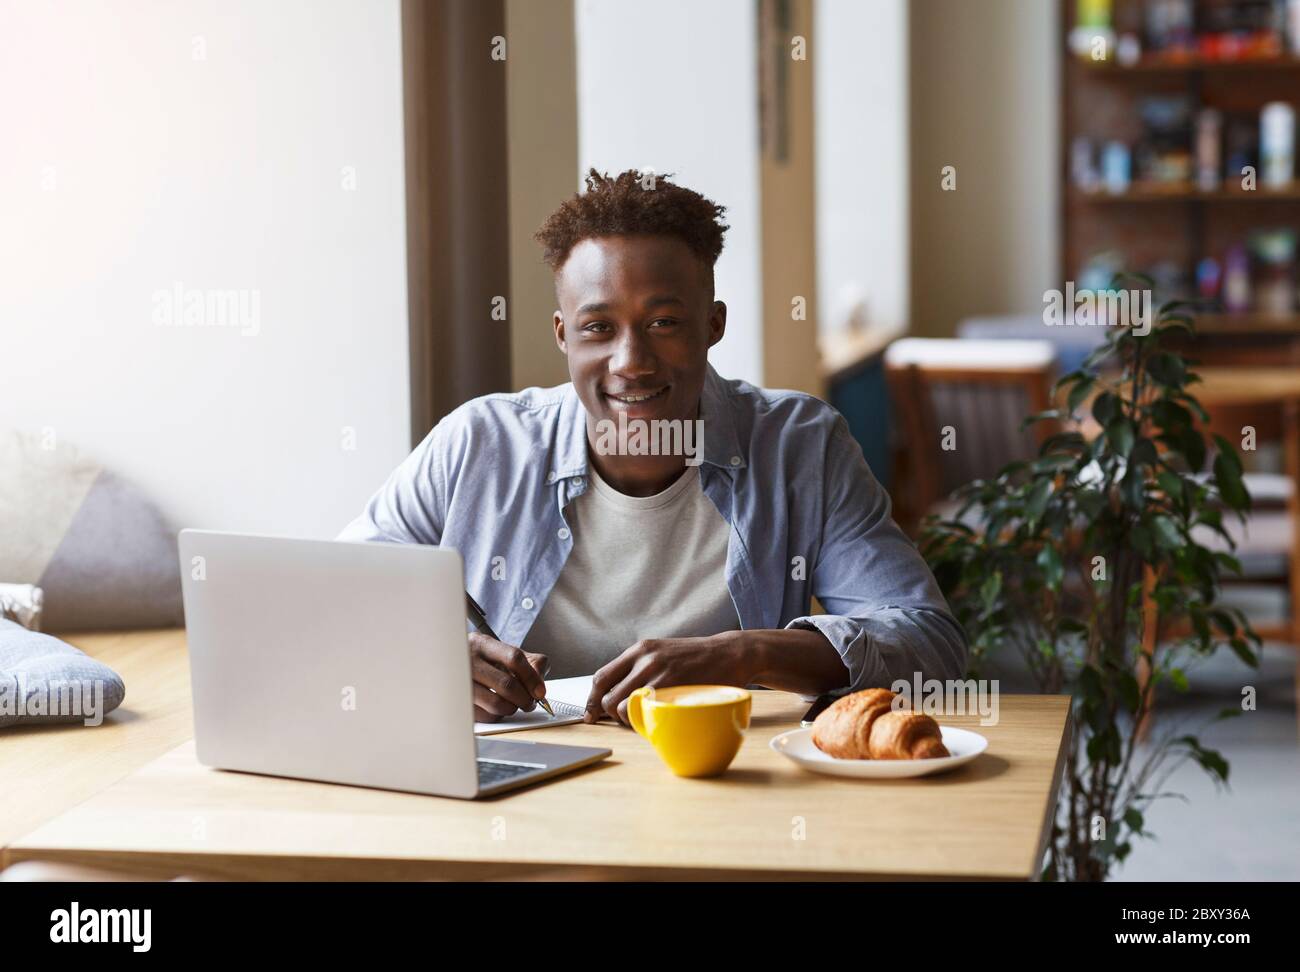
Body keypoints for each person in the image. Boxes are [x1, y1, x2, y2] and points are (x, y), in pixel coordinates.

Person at [338, 168, 967, 727]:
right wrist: (434, 655)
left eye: (663, 323)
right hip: (519, 797)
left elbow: (928, 646)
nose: (631, 362)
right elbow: (333, 607)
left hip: (715, 793)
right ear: (564, 335)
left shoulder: (800, 447)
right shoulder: (479, 445)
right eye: (598, 328)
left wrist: (742, 653)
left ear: (713, 325)